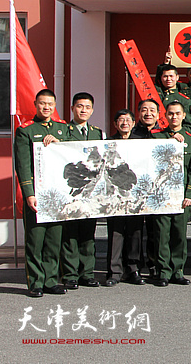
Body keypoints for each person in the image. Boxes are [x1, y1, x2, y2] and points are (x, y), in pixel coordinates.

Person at [14, 89, 68, 297]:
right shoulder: (26, 130)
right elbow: (23, 165)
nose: (46, 107)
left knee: (54, 240)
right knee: (35, 240)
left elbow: (74, 153)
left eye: (50, 104)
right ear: (35, 104)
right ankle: (36, 281)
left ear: (55, 105)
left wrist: (59, 144)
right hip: (38, 193)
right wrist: (29, 193)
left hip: (58, 194)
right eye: (42, 103)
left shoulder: (62, 129)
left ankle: (51, 279)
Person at [59, 92, 104, 290]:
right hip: (70, 190)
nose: (83, 110)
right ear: (72, 108)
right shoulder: (63, 131)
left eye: (87, 107)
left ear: (92, 110)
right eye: (79, 106)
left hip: (91, 192)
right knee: (70, 234)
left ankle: (87, 273)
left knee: (88, 233)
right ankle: (70, 274)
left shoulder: (97, 132)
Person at [151, 101, 191, 287]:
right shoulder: (156, 137)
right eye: (170, 114)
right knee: (162, 235)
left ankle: (178, 270)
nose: (174, 117)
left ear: (183, 116)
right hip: (162, 194)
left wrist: (190, 193)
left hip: (181, 196)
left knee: (179, 234)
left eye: (177, 113)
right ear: (166, 116)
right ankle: (163, 271)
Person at [104, 109, 146, 287]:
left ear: (133, 123)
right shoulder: (107, 144)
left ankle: (133, 269)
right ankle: (114, 271)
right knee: (116, 232)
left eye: (128, 120)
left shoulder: (142, 143)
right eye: (120, 120)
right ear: (115, 124)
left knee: (135, 232)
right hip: (114, 195)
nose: (124, 123)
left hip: (135, 195)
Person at [132, 99, 161, 280]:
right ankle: (134, 266)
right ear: (138, 113)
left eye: (152, 110)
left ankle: (153, 263)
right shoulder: (131, 134)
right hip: (134, 190)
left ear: (158, 114)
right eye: (144, 110)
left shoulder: (165, 135)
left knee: (154, 229)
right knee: (135, 230)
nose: (148, 113)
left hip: (157, 191)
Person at [155, 63, 191, 131]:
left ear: (177, 77)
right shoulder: (156, 95)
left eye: (171, 76)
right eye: (165, 76)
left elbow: (188, 125)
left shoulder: (184, 100)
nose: (168, 79)